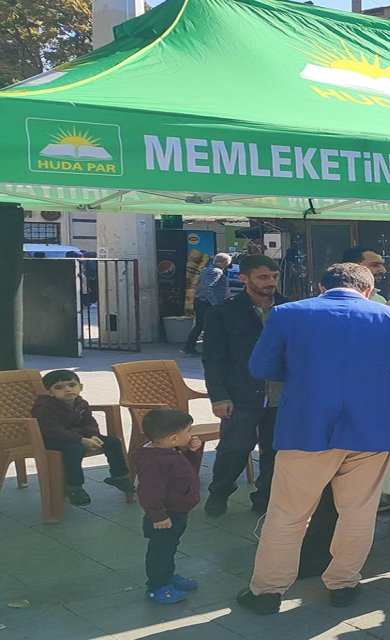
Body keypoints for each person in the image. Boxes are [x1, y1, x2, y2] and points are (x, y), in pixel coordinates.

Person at [237, 263, 390, 615]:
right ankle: (344, 583)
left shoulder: (287, 313)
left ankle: (267, 592)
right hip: (372, 429)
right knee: (358, 512)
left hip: (307, 427)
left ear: (321, 287)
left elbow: (260, 367)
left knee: (288, 513)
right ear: (368, 290)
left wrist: (302, 373)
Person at [201, 255, 289, 517]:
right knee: (234, 448)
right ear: (244, 278)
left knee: (276, 450)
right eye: (263, 277)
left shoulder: (291, 309)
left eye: (274, 277)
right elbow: (213, 358)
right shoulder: (223, 312)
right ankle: (220, 491)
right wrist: (219, 397)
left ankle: (265, 497)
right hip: (241, 393)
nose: (270, 282)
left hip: (282, 395)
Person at [30, 370, 134, 506]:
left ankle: (118, 476)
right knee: (75, 450)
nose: (67, 390)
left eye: (72, 385)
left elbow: (89, 422)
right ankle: (75, 488)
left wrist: (93, 435)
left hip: (80, 436)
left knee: (113, 442)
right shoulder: (44, 407)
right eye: (59, 387)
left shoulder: (81, 403)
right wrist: (81, 440)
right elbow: (53, 430)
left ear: (80, 387)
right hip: (53, 439)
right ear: (50, 392)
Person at [132, 409, 203, 604]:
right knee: (161, 550)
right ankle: (157, 587)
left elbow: (187, 470)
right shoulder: (155, 461)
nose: (191, 434)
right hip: (166, 515)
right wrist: (158, 515)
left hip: (176, 511)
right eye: (188, 431)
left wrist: (192, 452)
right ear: (173, 438)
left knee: (170, 547)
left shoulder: (169, 451)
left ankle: (167, 577)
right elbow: (149, 491)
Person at [182, 252, 231, 355]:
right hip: (207, 303)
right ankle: (210, 350)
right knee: (211, 326)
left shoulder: (205, 270)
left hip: (200, 301)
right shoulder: (216, 271)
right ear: (225, 262)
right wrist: (215, 304)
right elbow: (208, 288)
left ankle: (189, 347)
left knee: (200, 325)